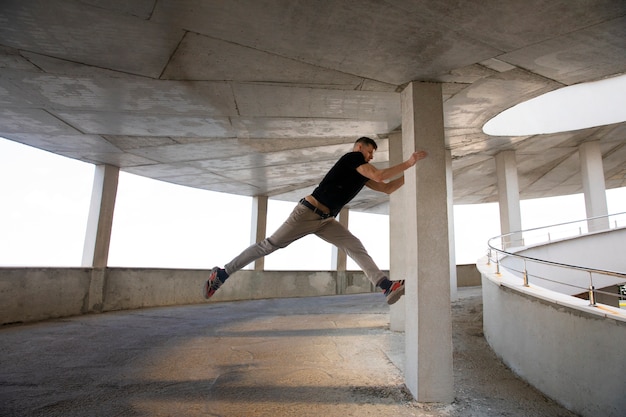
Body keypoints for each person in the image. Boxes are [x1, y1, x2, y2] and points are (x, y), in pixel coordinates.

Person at [204, 137, 427, 304]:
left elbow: (386, 188)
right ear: (360, 147)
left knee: (354, 245)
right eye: (370, 152)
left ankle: (386, 286)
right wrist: (409, 163)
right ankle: (222, 274)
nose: (371, 156)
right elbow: (380, 176)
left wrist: (412, 174)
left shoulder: (361, 172)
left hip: (326, 220)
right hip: (307, 213)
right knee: (268, 246)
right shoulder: (353, 158)